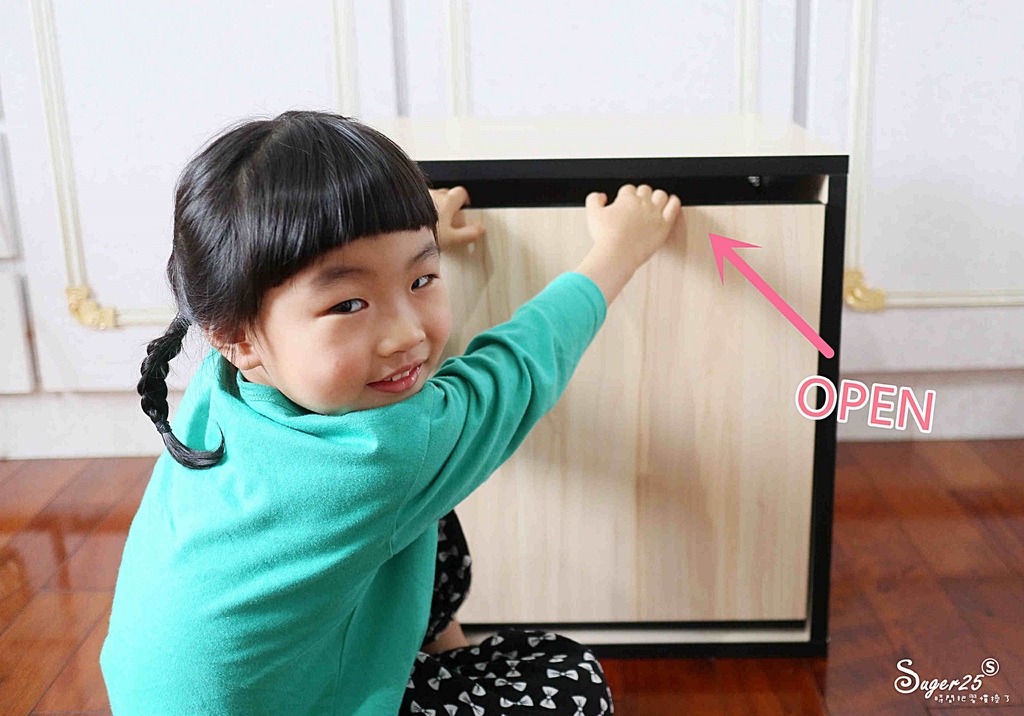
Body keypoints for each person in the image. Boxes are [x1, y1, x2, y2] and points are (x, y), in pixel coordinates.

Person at [99, 110, 680, 715]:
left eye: (422, 278)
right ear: (237, 336)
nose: (406, 334)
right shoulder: (378, 456)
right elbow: (520, 368)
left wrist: (389, 248)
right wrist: (618, 251)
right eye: (349, 304)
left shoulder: (228, 376)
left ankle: (433, 648)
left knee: (429, 503)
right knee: (572, 682)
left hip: (170, 695)